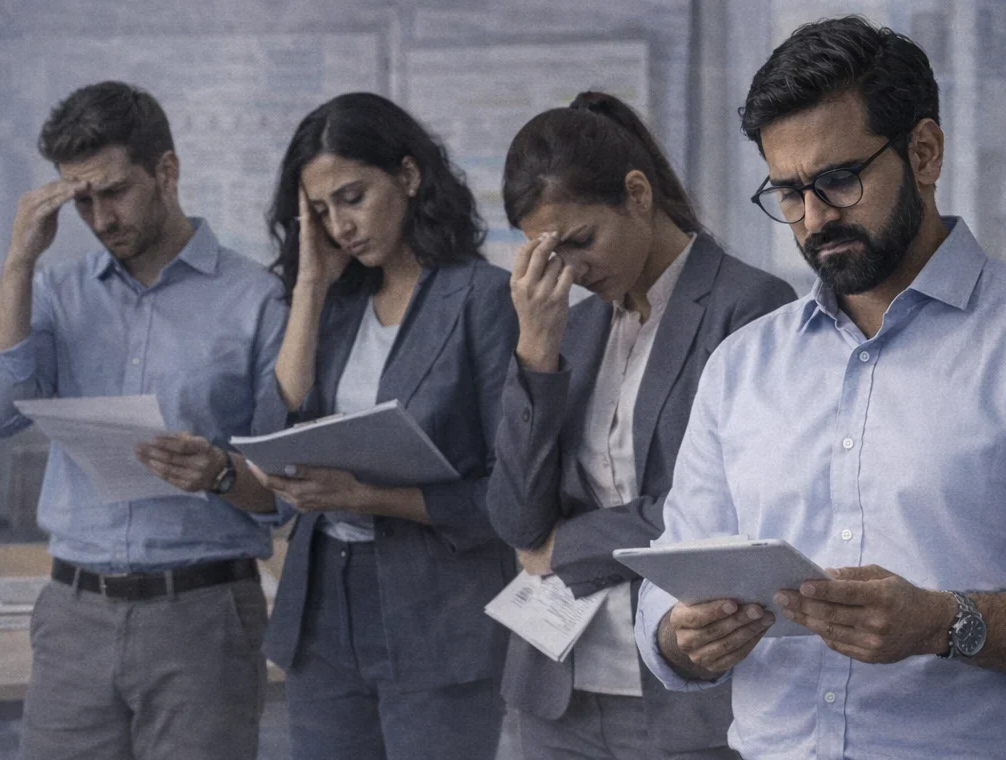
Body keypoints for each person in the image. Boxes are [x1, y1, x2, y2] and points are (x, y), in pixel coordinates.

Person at [635, 15, 1006, 760]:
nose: (813, 218)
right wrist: (682, 637)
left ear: (924, 152)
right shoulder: (742, 366)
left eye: (839, 180)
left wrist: (943, 624)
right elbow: (672, 585)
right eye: (788, 192)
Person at [0, 81, 288, 760]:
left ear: (166, 171)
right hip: (73, 616)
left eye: (114, 192)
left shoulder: (257, 300)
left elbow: (284, 494)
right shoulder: (53, 293)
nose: (100, 218)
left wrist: (219, 473)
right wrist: (19, 260)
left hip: (203, 617)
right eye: (81, 200)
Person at [486, 91, 795, 760]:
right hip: (559, 684)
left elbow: (726, 510)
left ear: (637, 193)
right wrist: (535, 353)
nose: (571, 271)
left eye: (581, 241)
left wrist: (567, 547)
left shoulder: (750, 307)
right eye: (550, 254)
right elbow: (516, 522)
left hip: (688, 688)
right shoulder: (569, 325)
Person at [249, 92, 517, 760]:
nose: (341, 226)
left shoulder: (480, 298)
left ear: (409, 175)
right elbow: (269, 439)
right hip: (322, 605)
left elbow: (510, 495)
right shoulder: (334, 304)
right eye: (321, 211)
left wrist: (367, 496)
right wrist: (309, 288)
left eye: (353, 197)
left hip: (440, 608)